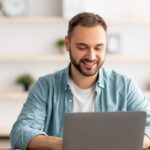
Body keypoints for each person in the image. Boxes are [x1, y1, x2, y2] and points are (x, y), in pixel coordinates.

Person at [10, 12, 150, 150]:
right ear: (67, 44)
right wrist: (64, 144)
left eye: (98, 47)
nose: (91, 56)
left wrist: (135, 142)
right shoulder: (45, 86)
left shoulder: (125, 85)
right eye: (82, 47)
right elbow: (20, 132)